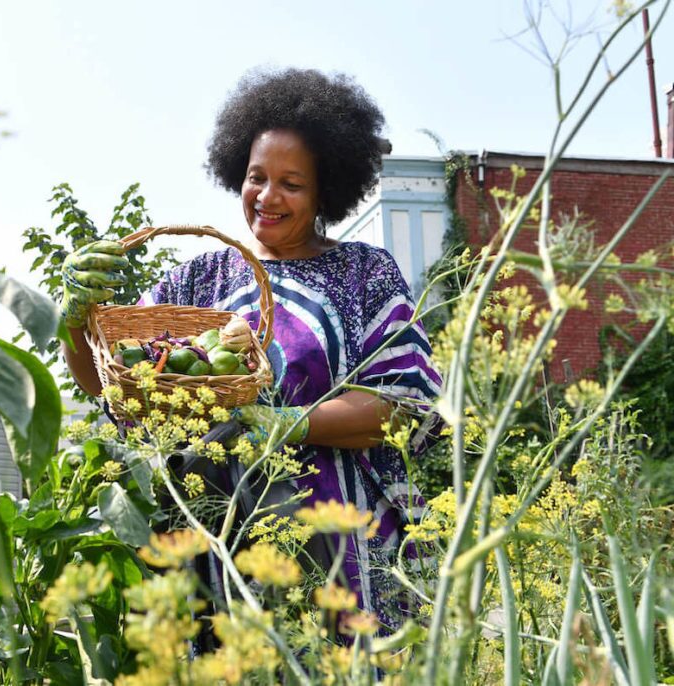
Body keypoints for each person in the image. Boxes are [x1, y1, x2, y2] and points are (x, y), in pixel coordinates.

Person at [60, 67, 441, 629]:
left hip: (345, 553)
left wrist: (279, 423)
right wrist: (73, 319)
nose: (267, 196)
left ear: (326, 191)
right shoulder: (199, 279)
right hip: (211, 548)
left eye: (292, 183)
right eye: (256, 176)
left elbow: (403, 405)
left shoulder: (365, 273)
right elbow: (111, 385)